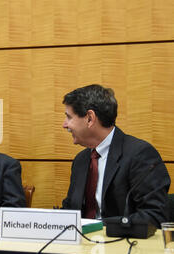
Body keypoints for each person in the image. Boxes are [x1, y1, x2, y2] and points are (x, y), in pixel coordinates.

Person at [61, 84, 171, 227]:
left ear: (89, 118)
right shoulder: (81, 160)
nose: (64, 125)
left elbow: (155, 215)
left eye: (69, 117)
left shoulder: (140, 154)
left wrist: (100, 226)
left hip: (123, 245)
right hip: (81, 247)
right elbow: (70, 210)